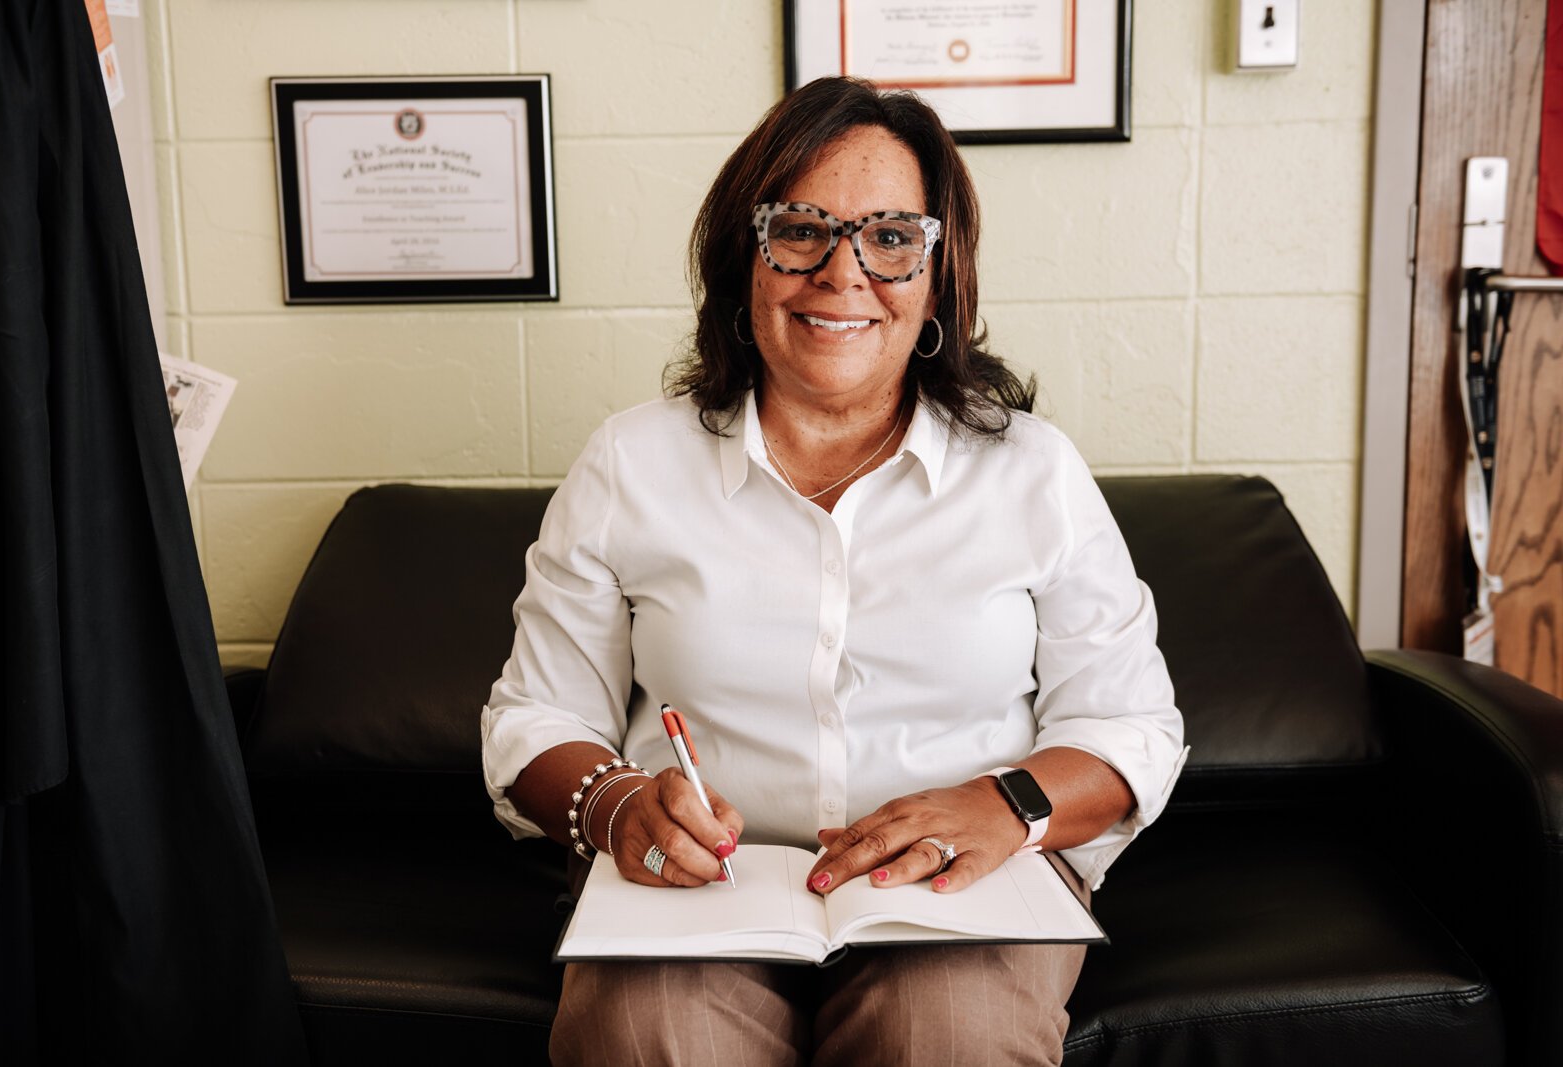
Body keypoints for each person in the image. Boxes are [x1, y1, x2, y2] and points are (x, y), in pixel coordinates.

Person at [480, 75, 1187, 1066]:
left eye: (891, 237)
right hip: (704, 889)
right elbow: (535, 719)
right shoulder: (629, 464)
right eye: (800, 230)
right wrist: (615, 803)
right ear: (744, 259)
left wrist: (1006, 804)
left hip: (959, 889)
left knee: (947, 1037)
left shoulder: (1033, 472)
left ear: (938, 275)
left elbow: (1129, 729)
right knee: (647, 1033)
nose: (843, 272)